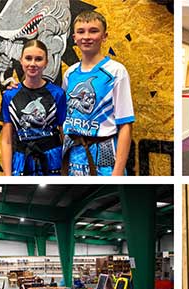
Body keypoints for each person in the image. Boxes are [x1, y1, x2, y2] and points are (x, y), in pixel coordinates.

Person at [61, 10, 135, 176]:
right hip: (73, 152)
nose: (86, 36)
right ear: (74, 38)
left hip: (104, 151)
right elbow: (62, 112)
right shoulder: (70, 73)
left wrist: (117, 174)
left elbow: (126, 125)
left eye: (93, 31)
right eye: (81, 32)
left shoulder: (116, 71)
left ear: (104, 36)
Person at [0, 40, 66, 176]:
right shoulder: (10, 95)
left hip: (52, 159)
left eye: (39, 59)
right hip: (22, 159)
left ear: (46, 62)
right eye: (28, 58)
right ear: (21, 60)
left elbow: (64, 135)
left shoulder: (58, 94)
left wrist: (66, 170)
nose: (33, 64)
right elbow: (6, 140)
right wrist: (7, 176)